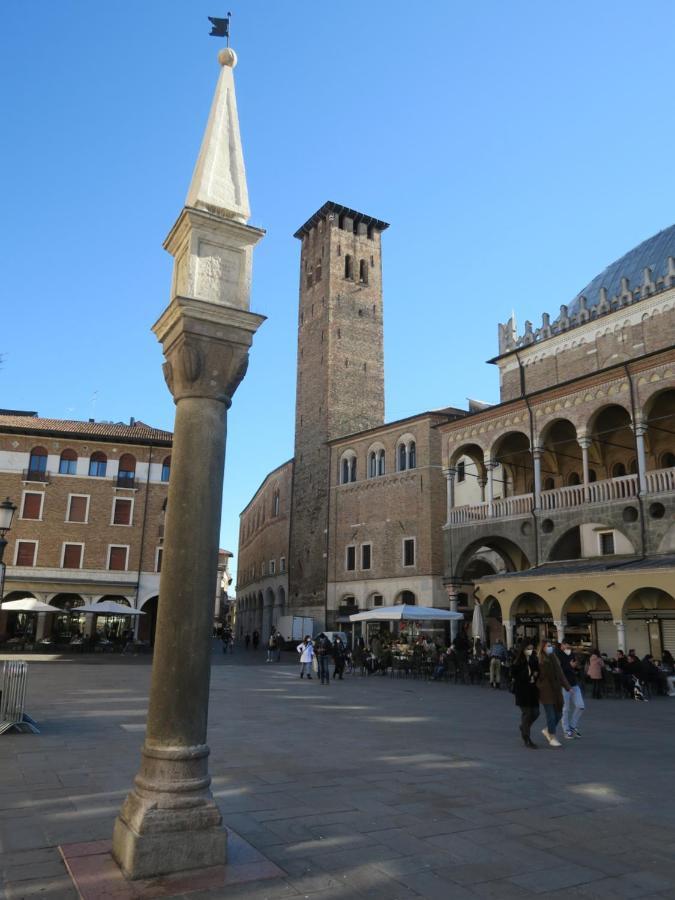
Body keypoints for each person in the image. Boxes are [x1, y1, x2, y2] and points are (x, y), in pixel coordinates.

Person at [538, 639, 570, 747]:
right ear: (543, 648)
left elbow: (560, 674)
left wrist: (567, 687)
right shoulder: (540, 660)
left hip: (556, 690)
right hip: (546, 691)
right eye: (548, 646)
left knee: (559, 714)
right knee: (551, 715)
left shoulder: (554, 659)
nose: (550, 647)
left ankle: (548, 729)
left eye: (551, 645)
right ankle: (552, 736)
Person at [511, 642, 540, 748]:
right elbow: (514, 674)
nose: (530, 651)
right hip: (522, 691)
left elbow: (538, 670)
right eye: (528, 649)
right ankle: (527, 738)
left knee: (536, 712)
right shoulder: (518, 661)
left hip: (532, 690)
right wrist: (528, 674)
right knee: (527, 713)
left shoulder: (534, 659)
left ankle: (524, 727)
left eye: (532, 649)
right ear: (523, 650)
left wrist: (536, 673)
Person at [557, 641, 585, 739]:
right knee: (565, 709)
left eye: (569, 647)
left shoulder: (571, 654)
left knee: (581, 706)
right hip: (564, 685)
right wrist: (570, 666)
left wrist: (577, 665)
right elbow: (559, 670)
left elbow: (575, 668)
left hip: (574, 684)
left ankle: (572, 726)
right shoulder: (558, 655)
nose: (568, 649)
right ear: (562, 646)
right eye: (566, 646)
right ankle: (566, 730)